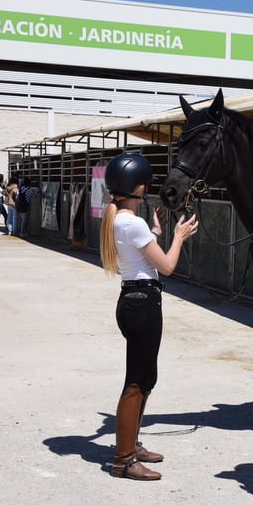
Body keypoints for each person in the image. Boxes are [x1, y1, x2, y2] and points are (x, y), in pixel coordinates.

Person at [100, 150, 198, 481]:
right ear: (137, 187)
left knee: (146, 379)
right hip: (143, 304)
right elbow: (166, 266)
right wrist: (179, 237)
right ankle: (123, 460)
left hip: (134, 300)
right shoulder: (131, 222)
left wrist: (155, 231)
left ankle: (132, 444)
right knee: (136, 382)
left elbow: (140, 256)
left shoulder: (119, 219)